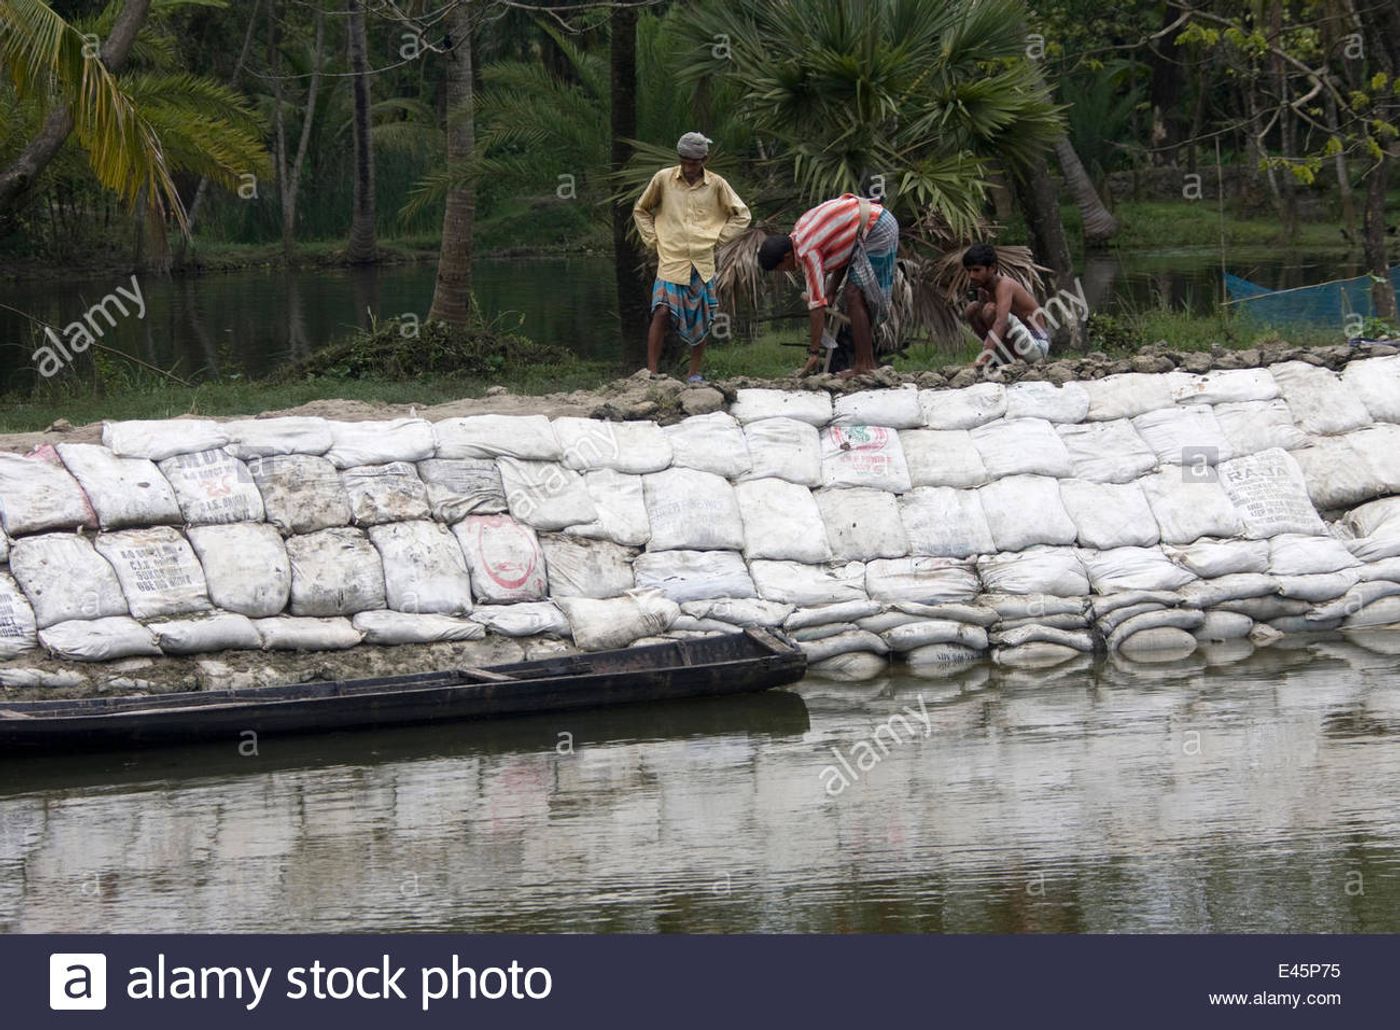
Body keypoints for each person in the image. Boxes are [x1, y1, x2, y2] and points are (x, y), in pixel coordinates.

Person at [632, 132, 751, 382]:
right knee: (662, 311)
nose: (688, 167)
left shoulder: (716, 184)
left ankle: (694, 373)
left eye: (693, 162)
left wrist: (718, 238)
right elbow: (641, 210)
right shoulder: (663, 179)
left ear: (704, 160)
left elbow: (742, 215)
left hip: (701, 260)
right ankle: (651, 372)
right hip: (671, 259)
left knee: (702, 316)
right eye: (684, 160)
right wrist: (653, 239)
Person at [757, 193, 899, 378]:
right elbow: (844, 253)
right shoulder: (799, 231)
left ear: (786, 257)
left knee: (854, 294)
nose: (787, 271)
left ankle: (865, 364)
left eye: (782, 268)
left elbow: (817, 307)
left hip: (877, 226)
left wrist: (814, 353)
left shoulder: (808, 253)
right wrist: (830, 292)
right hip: (870, 222)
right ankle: (865, 362)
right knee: (853, 294)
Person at [961, 242, 1050, 366]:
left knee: (990, 309)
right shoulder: (983, 290)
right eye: (969, 271)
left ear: (992, 268)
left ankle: (1010, 360)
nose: (971, 275)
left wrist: (984, 358)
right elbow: (986, 324)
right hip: (1016, 345)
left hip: (1037, 346)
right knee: (972, 309)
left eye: (977, 270)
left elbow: (1000, 322)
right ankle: (1000, 357)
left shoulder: (1005, 285)